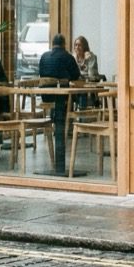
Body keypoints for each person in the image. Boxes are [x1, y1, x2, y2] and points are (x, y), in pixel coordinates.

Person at [39, 34, 81, 173]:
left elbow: (41, 74)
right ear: (64, 44)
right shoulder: (67, 57)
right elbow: (75, 76)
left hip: (47, 97)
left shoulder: (44, 57)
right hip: (63, 99)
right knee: (78, 95)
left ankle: (58, 165)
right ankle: (81, 114)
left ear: (52, 43)